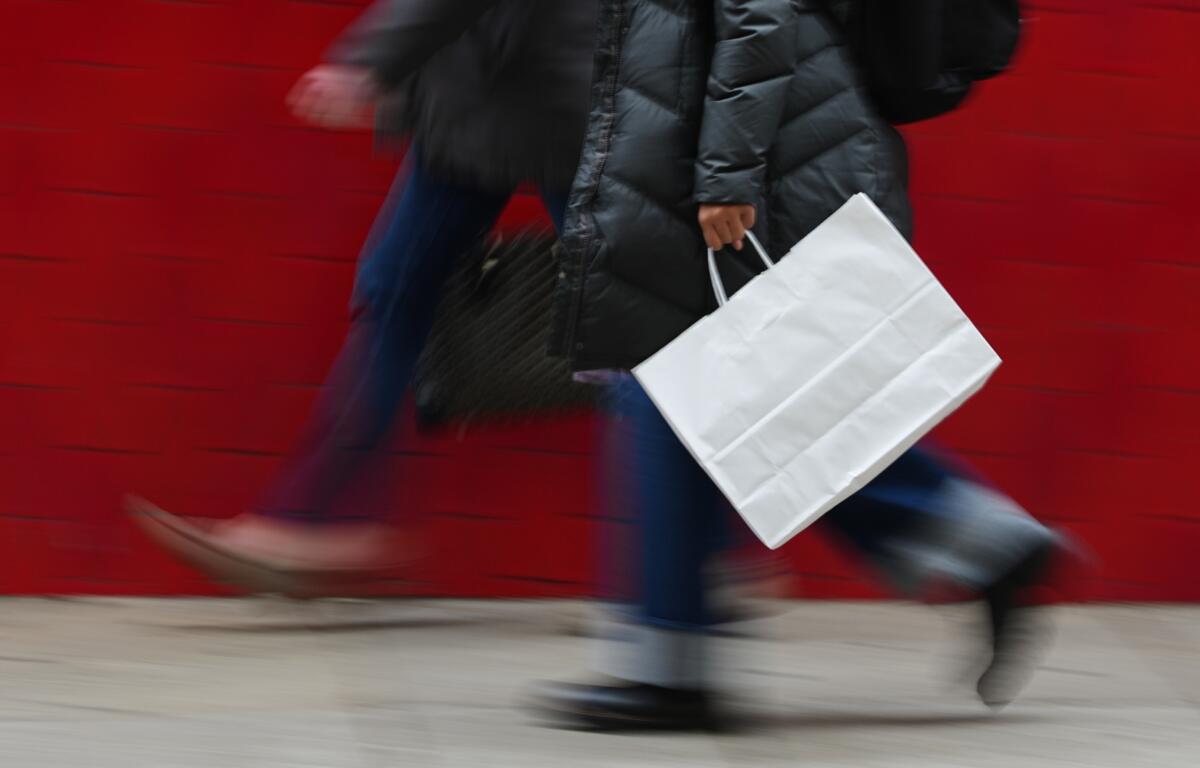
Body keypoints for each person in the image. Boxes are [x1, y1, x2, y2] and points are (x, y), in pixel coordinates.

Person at [536, 0, 1065, 729]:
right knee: (707, 382)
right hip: (716, 127)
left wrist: (728, 173)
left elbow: (759, 11)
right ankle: (982, 539)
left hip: (749, 146)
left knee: (669, 375)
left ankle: (672, 666)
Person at [127, 0, 598, 595]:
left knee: (625, 312)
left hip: (530, 92)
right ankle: (321, 516)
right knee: (398, 288)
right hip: (505, 95)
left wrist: (368, 61)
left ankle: (320, 518)